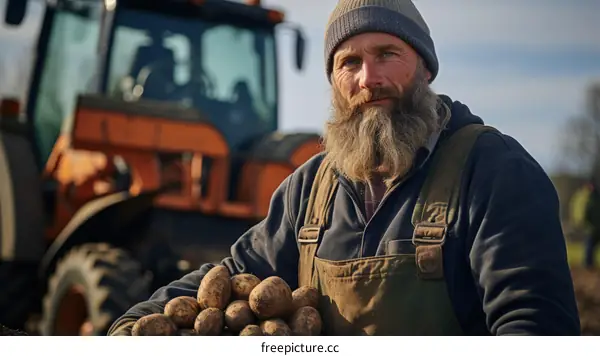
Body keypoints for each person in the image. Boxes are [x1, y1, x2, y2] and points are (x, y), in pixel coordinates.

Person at [108, 0, 581, 336]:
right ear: (335, 81)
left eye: (387, 55)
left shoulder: (493, 170)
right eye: (349, 62)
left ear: (426, 68)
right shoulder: (308, 190)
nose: (368, 79)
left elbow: (533, 325)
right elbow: (237, 272)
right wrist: (136, 323)